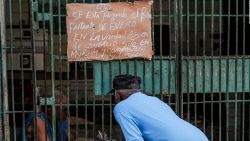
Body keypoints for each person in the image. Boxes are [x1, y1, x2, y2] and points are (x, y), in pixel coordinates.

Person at [107, 74, 209, 141]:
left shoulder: (121, 107)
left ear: (117, 94)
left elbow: (134, 140)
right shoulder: (155, 100)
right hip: (200, 137)